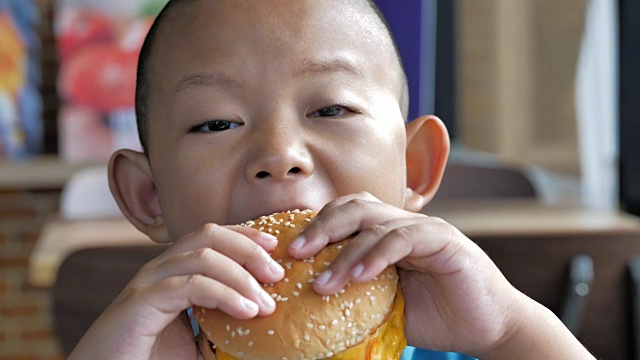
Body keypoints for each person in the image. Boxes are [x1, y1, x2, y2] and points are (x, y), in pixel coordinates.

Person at [69, 1, 595, 359]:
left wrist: (508, 330)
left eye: (331, 109)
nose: (279, 155)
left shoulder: (460, 335)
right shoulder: (141, 346)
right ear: (149, 194)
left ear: (415, 166)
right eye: (216, 123)